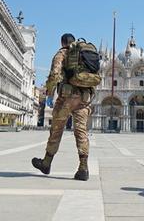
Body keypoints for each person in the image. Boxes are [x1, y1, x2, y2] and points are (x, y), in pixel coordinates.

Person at [32, 33, 93, 181]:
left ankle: (46, 163)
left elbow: (54, 74)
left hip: (66, 98)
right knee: (81, 132)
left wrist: (50, 92)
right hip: (84, 99)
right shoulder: (84, 55)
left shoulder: (62, 54)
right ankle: (83, 168)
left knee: (56, 130)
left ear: (62, 42)